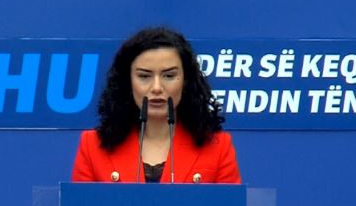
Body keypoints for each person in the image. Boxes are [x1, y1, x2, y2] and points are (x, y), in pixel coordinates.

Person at [72, 27, 241, 184]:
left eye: (169, 76)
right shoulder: (92, 146)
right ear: (128, 82)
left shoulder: (218, 147)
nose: (157, 88)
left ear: (185, 81)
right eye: (144, 76)